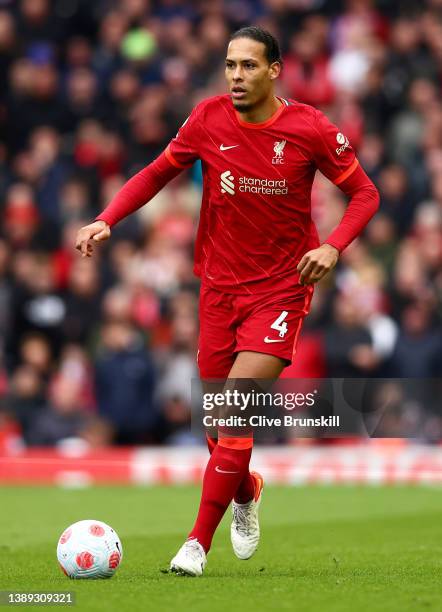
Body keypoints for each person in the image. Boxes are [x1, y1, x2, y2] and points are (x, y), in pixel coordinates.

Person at [75, 26, 379, 576]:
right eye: (230, 65)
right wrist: (105, 219)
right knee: (217, 428)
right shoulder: (207, 118)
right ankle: (246, 491)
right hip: (218, 289)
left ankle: (195, 543)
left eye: (248, 66)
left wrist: (334, 247)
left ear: (274, 70)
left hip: (282, 288)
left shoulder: (310, 128)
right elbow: (156, 173)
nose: (236, 76)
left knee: (236, 407)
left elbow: (366, 193)